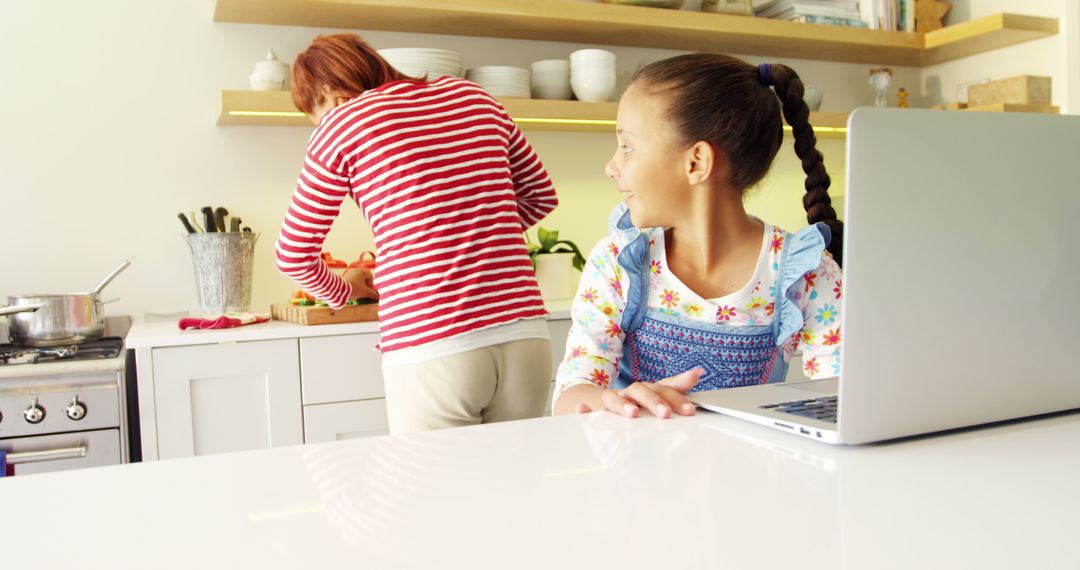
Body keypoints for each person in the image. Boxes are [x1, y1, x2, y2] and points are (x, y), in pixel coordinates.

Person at [276, 34, 558, 433]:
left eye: (314, 110)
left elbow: (293, 254)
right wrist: (476, 235)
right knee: (513, 490)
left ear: (328, 92)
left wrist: (345, 290)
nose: (319, 120)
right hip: (526, 338)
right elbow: (541, 196)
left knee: (429, 493)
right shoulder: (474, 97)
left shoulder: (342, 122)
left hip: (433, 345)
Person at [552, 53, 844, 419]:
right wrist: (611, 400)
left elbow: (841, 404)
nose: (611, 166)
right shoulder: (617, 263)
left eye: (627, 146)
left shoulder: (806, 271)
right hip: (633, 471)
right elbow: (569, 398)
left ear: (697, 163)